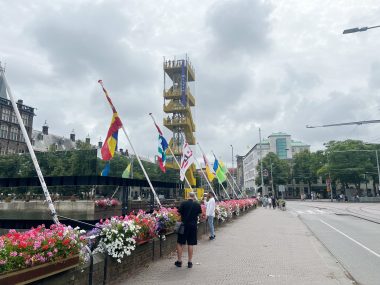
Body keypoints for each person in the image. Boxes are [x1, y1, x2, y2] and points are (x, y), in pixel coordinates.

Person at [175, 192, 202, 269]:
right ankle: (190, 262)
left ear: (188, 196)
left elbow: (178, 214)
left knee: (180, 243)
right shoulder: (197, 204)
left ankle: (179, 261)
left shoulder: (183, 203)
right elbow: (200, 215)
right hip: (193, 226)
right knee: (190, 244)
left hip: (184, 226)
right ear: (194, 197)